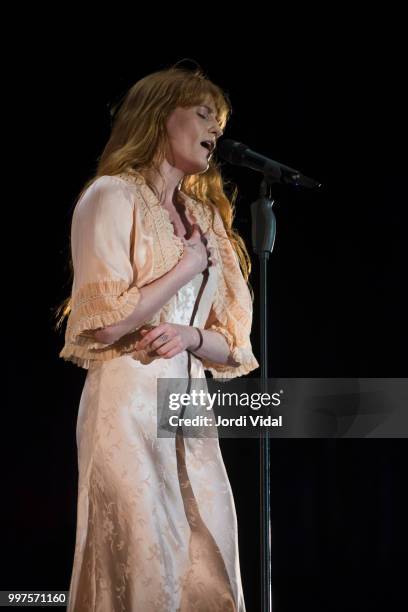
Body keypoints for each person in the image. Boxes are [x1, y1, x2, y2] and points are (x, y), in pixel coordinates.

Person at [58, 64, 259, 611]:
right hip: (128, 402)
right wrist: (183, 267)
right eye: (201, 113)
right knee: (144, 557)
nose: (215, 126)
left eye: (218, 118)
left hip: (190, 407)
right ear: (158, 116)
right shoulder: (111, 195)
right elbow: (104, 322)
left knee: (207, 559)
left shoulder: (204, 217)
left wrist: (191, 334)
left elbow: (233, 345)